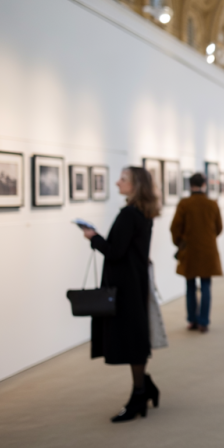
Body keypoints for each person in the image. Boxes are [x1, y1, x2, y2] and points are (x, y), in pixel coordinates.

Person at [80, 166, 162, 423]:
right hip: (135, 284)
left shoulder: (129, 214)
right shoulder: (143, 213)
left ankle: (139, 394)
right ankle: (144, 387)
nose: (117, 183)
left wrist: (93, 238)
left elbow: (115, 252)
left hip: (125, 288)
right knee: (135, 338)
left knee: (132, 341)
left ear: (135, 185)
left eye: (123, 180)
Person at [170, 173, 223, 333]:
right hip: (208, 250)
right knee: (206, 285)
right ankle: (204, 321)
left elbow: (175, 227)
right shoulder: (212, 204)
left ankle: (192, 319)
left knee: (190, 285)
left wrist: (180, 242)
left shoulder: (185, 204)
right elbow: (219, 227)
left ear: (190, 184)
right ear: (204, 184)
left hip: (190, 250)